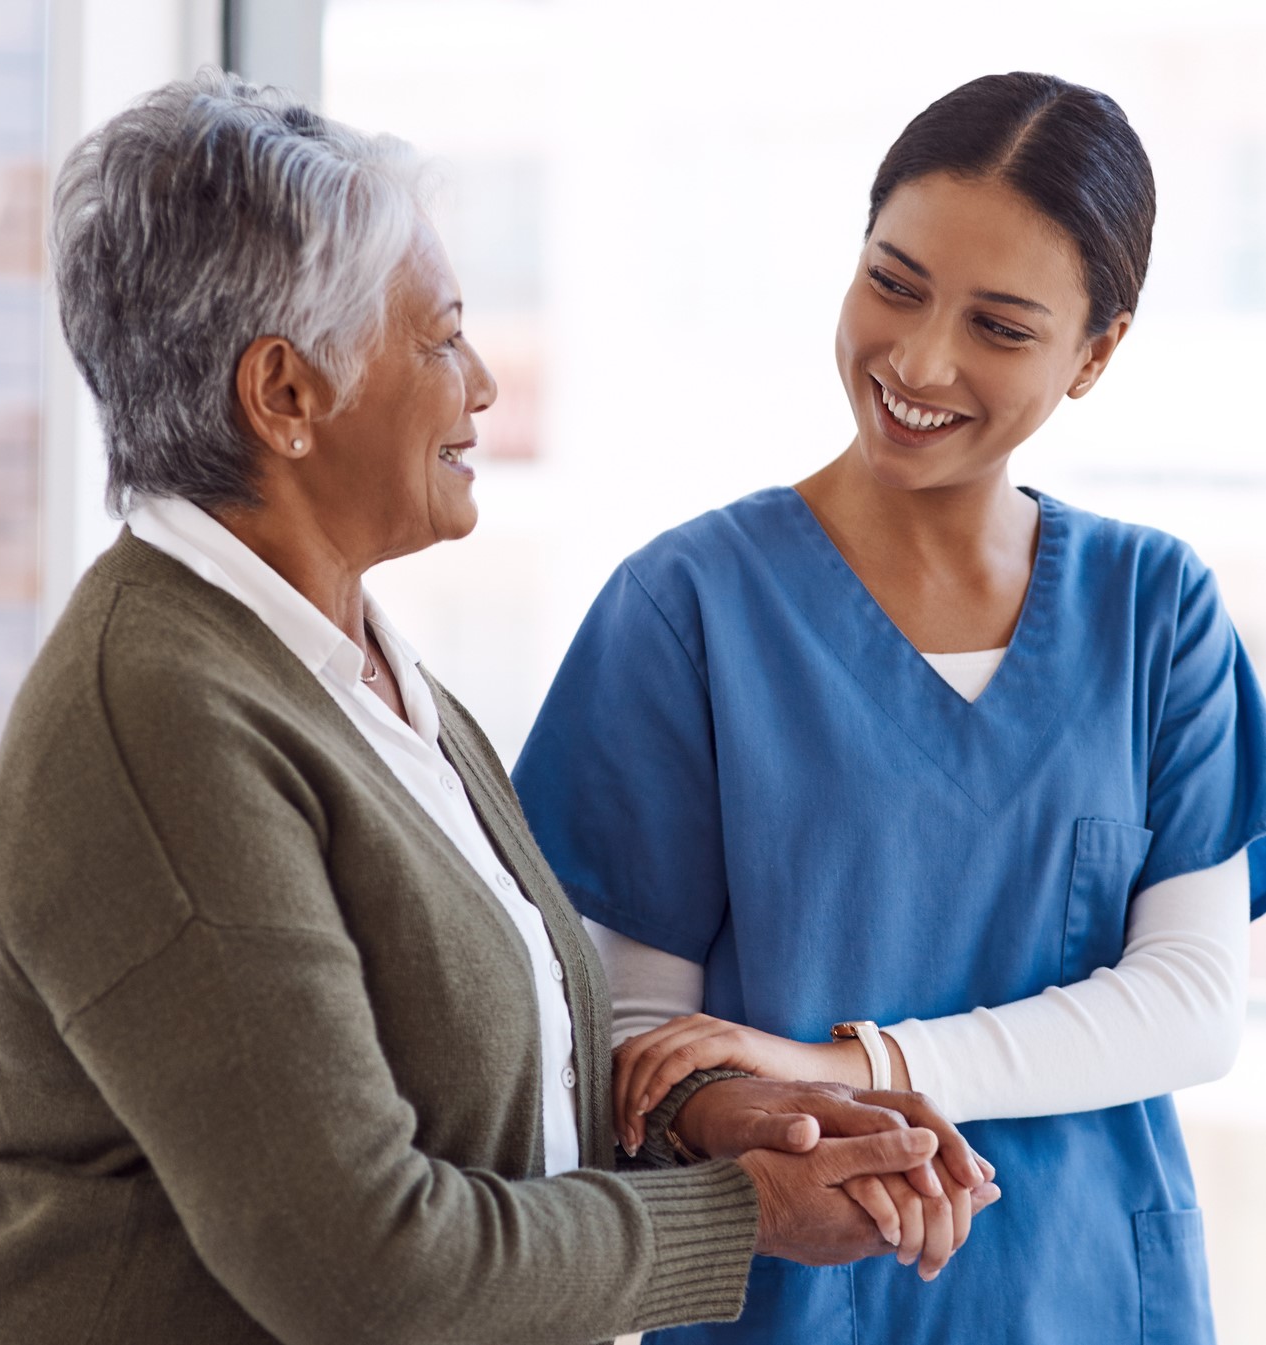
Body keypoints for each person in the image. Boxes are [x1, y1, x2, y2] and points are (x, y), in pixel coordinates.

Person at [0, 71, 999, 1345]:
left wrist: (692, 1112)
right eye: (439, 339)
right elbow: (363, 1266)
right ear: (284, 396)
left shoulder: (347, 664)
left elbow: (438, 1074)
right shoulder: (162, 715)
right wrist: (739, 1211)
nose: (482, 383)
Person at [514, 71, 1266, 1345]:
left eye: (1001, 326)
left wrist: (859, 1063)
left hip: (1092, 1300)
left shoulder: (1157, 613)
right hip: (794, 1299)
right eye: (894, 283)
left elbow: (1192, 1002)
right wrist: (780, 1109)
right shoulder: (686, 608)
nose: (918, 361)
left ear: (1095, 353)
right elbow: (639, 1038)